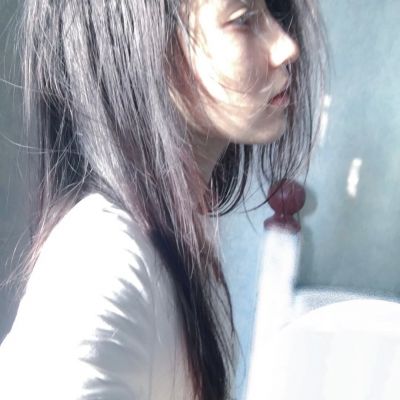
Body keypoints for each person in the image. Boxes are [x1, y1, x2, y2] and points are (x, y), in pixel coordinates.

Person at [0, 0, 327, 399]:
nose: (287, 46)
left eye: (272, 12)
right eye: (243, 20)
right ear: (145, 49)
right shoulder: (103, 259)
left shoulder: (178, 243)